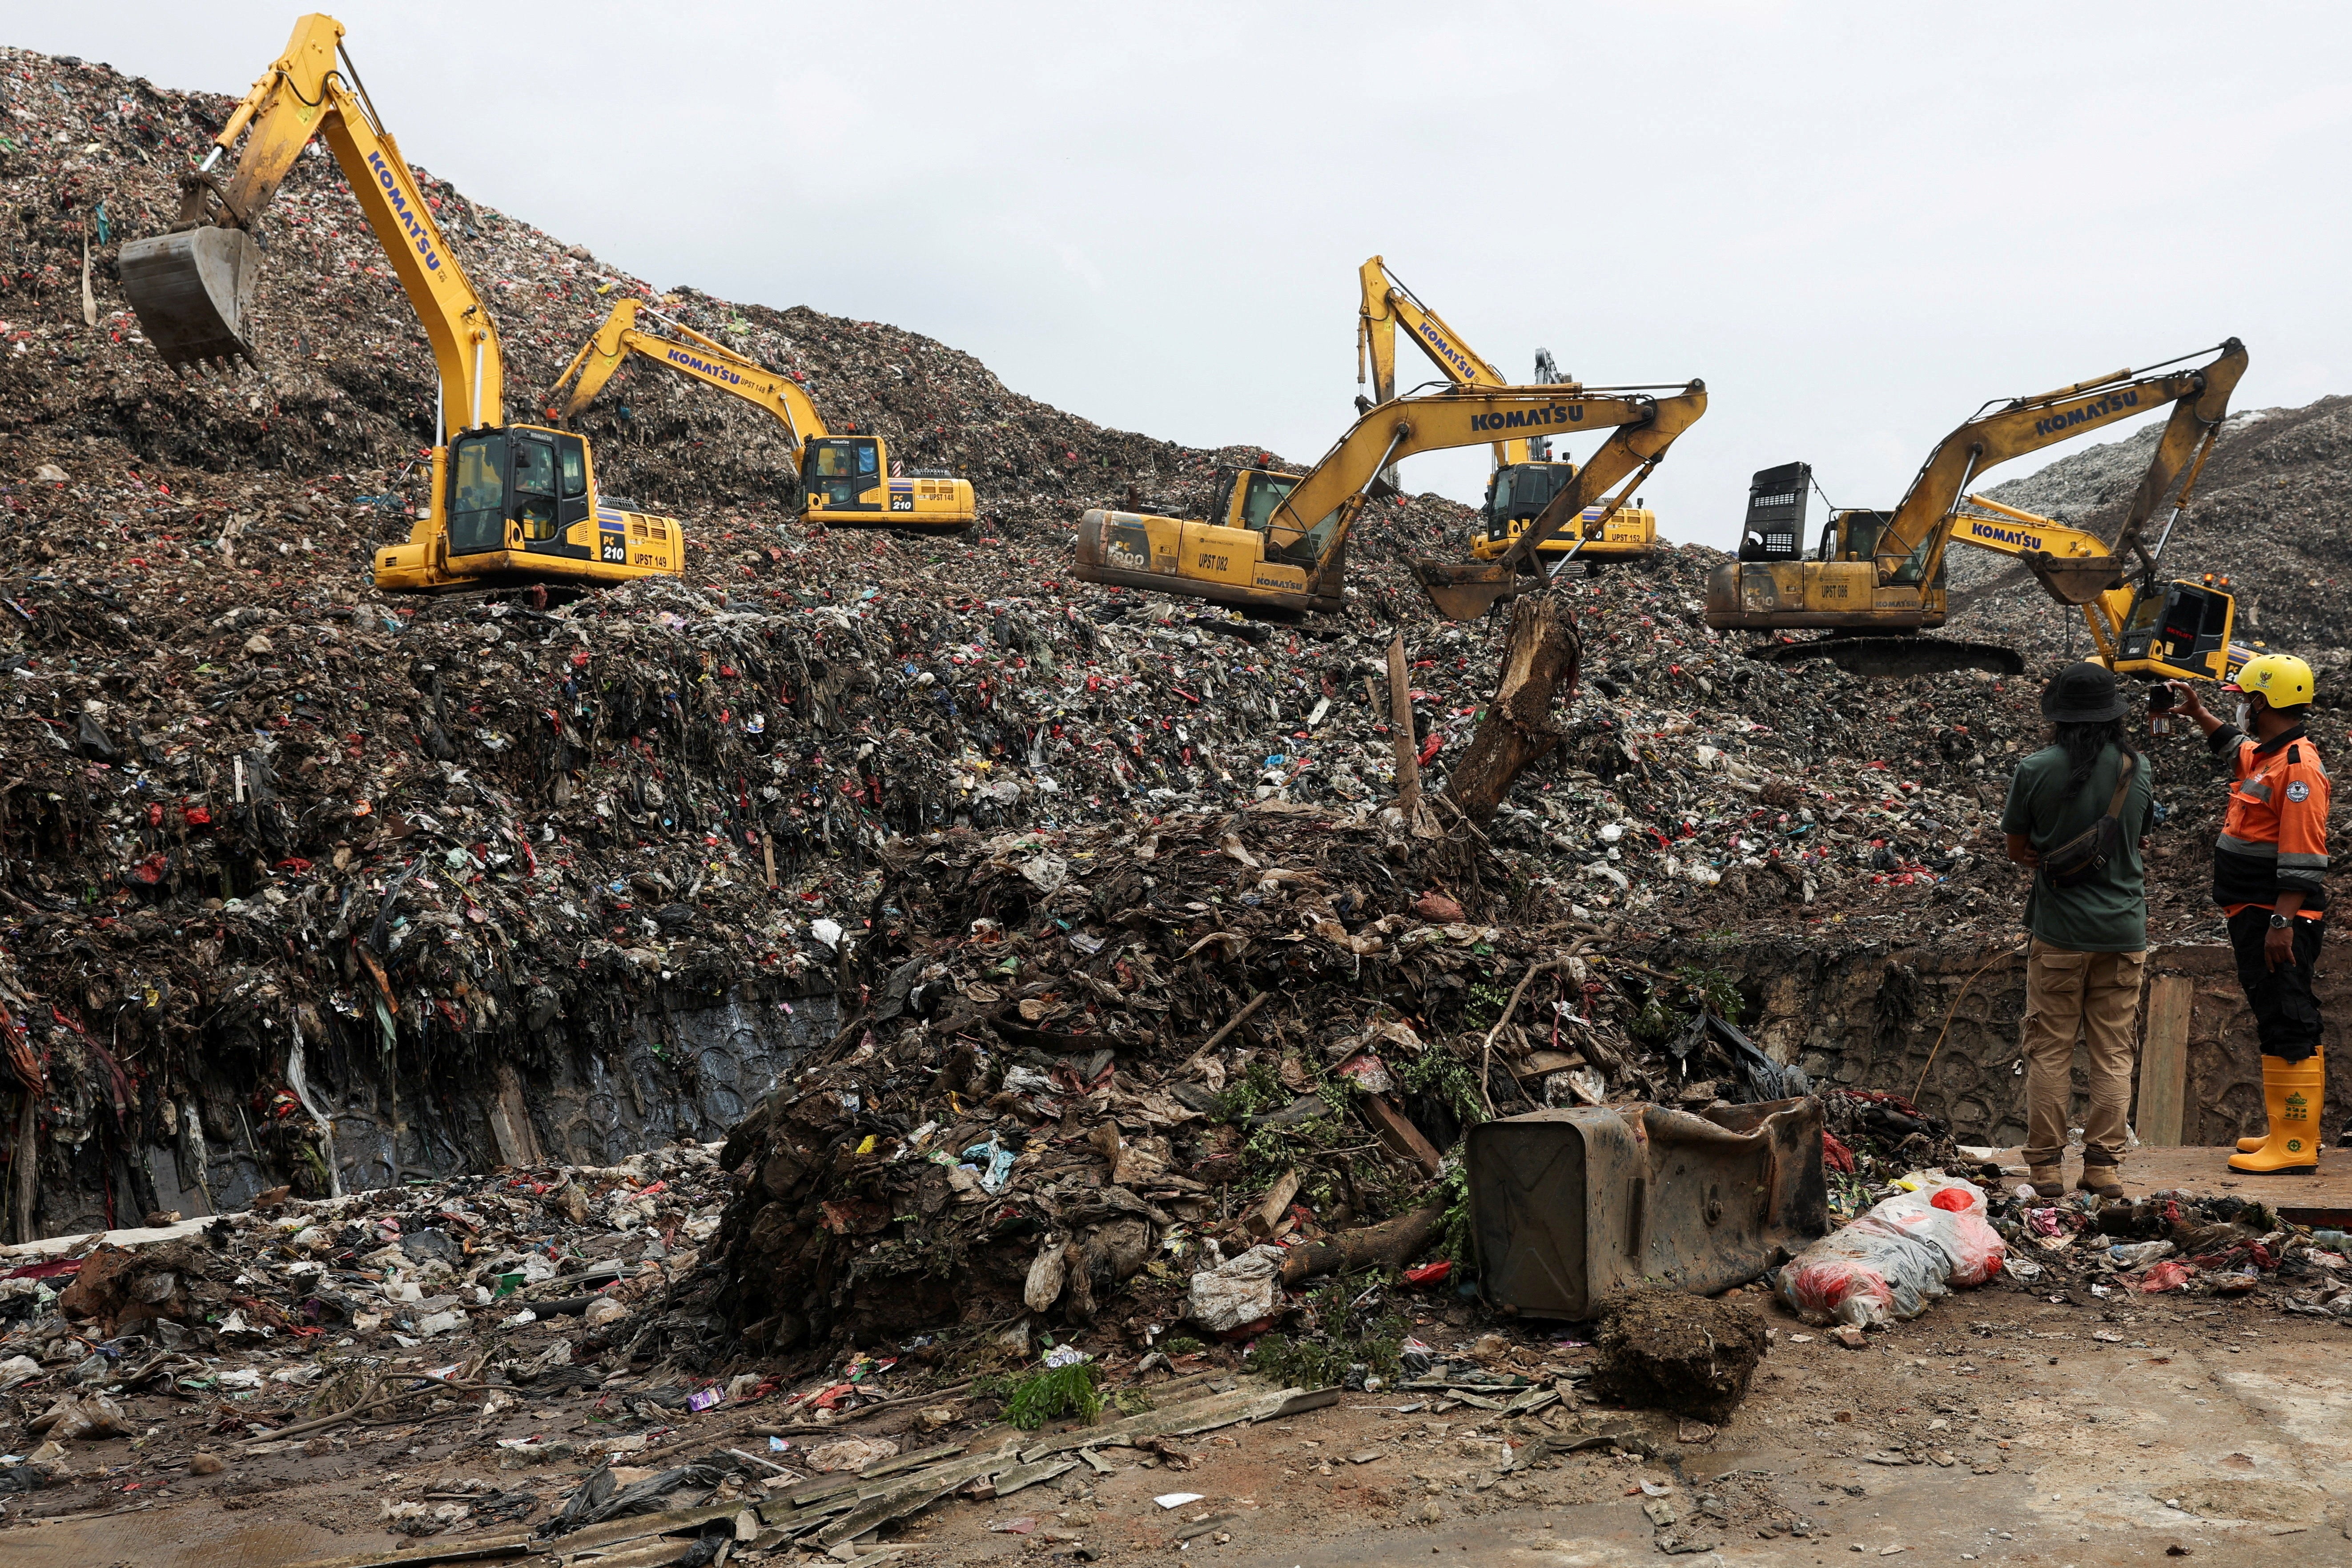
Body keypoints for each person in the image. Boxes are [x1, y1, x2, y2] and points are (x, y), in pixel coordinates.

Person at [2166, 654, 2331, 1174]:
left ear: (2264, 702)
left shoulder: (2299, 769)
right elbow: (2236, 750)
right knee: (2275, 1014)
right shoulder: (2270, 756)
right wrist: (2199, 714)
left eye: (2244, 701)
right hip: (2255, 912)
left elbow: (2305, 855)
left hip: (2276, 917)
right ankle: (2288, 1130)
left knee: (2290, 1016)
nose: (2241, 710)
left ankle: (2298, 1145)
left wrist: (2282, 922)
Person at [2002, 662, 2155, 1199]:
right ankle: (2103, 1168)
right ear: (2114, 716)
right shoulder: (2138, 769)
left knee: (2049, 1049)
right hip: (2123, 933)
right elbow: (2137, 839)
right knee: (2113, 1053)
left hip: (2060, 933)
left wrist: (2056, 859)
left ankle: (2046, 1167)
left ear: (2059, 718)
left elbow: (2018, 849)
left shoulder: (2035, 768)